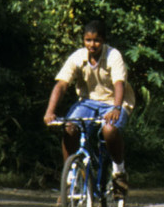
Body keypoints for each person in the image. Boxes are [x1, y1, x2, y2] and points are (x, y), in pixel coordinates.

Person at [46, 16, 133, 192]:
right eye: (88, 40)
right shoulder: (77, 57)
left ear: (104, 41)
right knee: (69, 127)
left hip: (114, 102)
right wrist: (50, 111)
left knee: (109, 130)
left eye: (96, 41)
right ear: (83, 40)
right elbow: (62, 84)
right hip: (88, 103)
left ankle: (119, 171)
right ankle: (71, 176)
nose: (92, 45)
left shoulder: (113, 56)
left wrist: (116, 108)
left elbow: (119, 84)